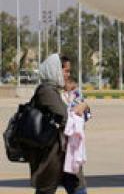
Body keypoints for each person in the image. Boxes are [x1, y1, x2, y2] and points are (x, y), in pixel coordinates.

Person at [25, 54, 84, 194]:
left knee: (78, 187)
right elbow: (65, 117)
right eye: (66, 71)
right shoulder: (47, 91)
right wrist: (80, 108)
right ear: (55, 70)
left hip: (63, 154)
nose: (68, 75)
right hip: (52, 156)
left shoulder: (55, 90)